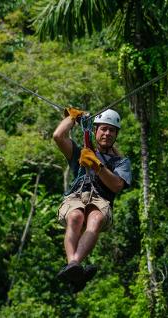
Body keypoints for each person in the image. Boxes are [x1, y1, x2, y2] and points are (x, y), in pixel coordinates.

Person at [53, 107, 131, 292]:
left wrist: (98, 166)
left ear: (116, 135)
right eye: (103, 129)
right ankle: (75, 266)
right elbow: (58, 136)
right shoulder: (80, 153)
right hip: (77, 195)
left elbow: (117, 185)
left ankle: (72, 265)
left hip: (101, 200)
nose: (107, 133)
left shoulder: (121, 162)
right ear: (95, 131)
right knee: (75, 218)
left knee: (94, 219)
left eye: (112, 130)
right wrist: (73, 118)